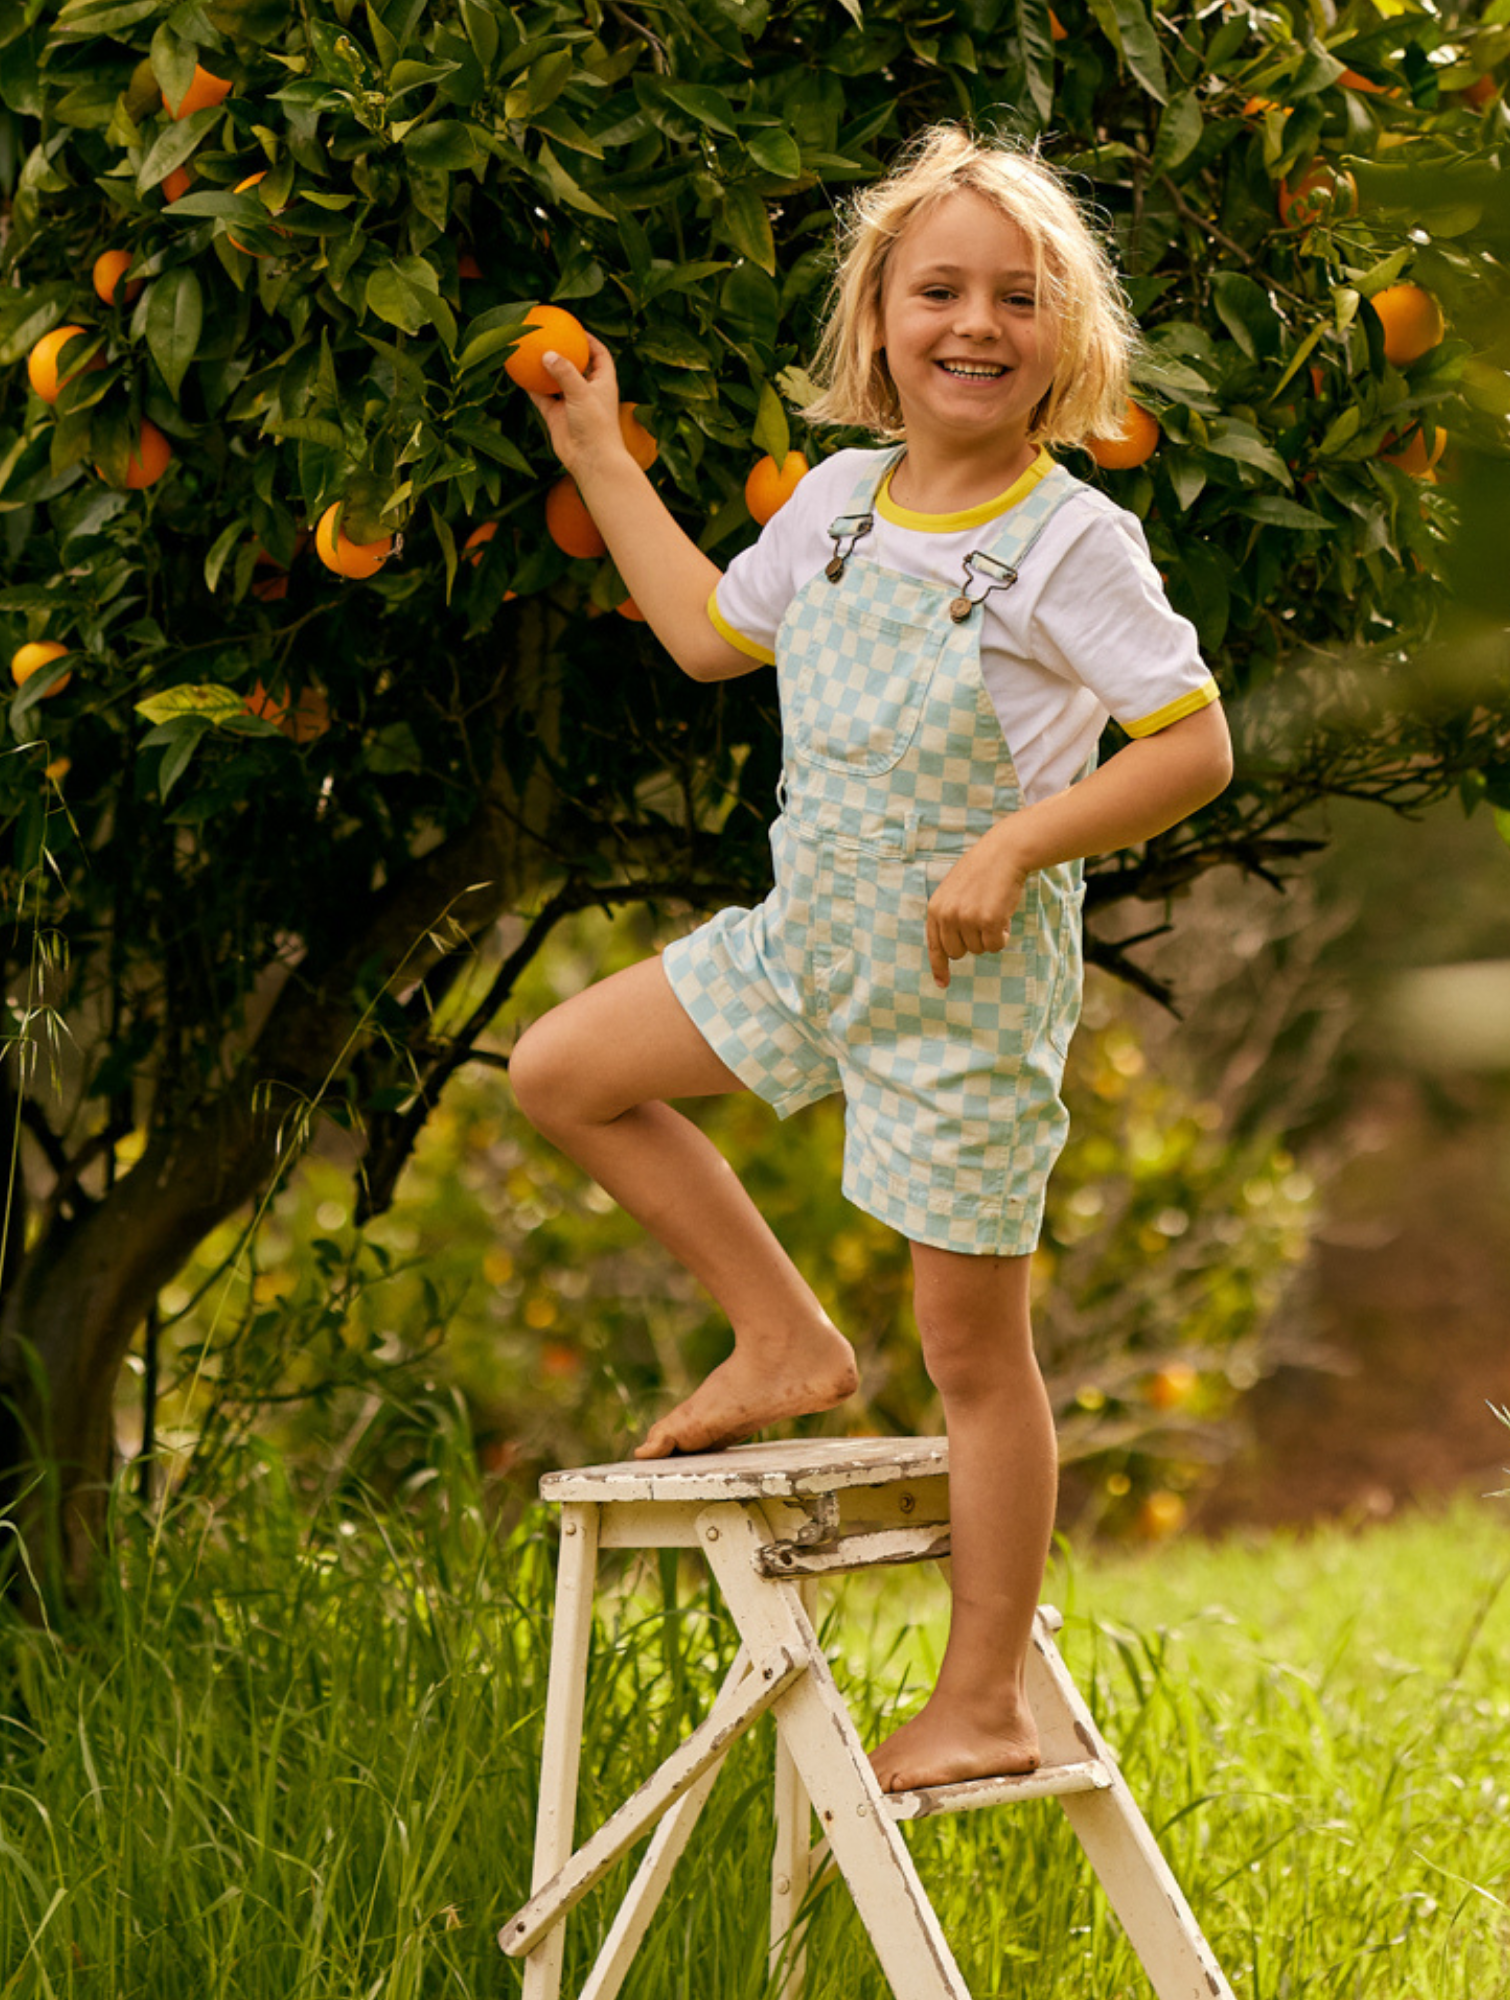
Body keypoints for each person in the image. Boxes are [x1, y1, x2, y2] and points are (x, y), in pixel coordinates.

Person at [505, 123, 1233, 1795]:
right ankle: (783, 1341)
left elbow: (1190, 748)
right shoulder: (835, 503)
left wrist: (1014, 844)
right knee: (564, 1071)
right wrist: (599, 447)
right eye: (939, 290)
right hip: (806, 945)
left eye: (1019, 297)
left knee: (978, 1357)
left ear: (1068, 338)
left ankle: (982, 1695)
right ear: (880, 318)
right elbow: (705, 637)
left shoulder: (1071, 544)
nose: (976, 323)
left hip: (964, 995)